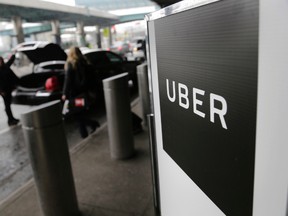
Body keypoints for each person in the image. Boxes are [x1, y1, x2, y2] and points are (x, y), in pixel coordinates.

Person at [62, 46, 99, 138]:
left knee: (77, 115)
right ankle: (90, 127)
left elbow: (68, 80)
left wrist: (64, 93)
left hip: (75, 95)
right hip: (84, 94)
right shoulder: (85, 62)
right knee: (79, 113)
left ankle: (87, 131)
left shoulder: (71, 64)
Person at [0, 54, 20, 126]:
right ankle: (10, 120)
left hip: (9, 88)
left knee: (8, 104)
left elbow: (11, 60)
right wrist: (1, 91)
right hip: (3, 91)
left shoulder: (5, 66)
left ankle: (12, 118)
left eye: (1, 60)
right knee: (7, 105)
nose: (0, 62)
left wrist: (14, 53)